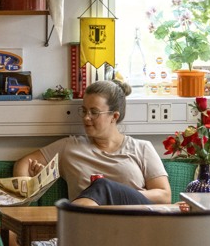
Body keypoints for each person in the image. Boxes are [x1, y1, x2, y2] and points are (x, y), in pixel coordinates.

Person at [13, 79, 171, 205]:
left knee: (102, 186)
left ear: (114, 116)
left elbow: (164, 196)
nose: (86, 117)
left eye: (94, 112)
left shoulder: (141, 148)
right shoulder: (69, 147)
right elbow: (24, 162)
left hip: (133, 224)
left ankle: (71, 212)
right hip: (87, 227)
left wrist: (118, 194)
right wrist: (27, 187)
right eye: (84, 110)